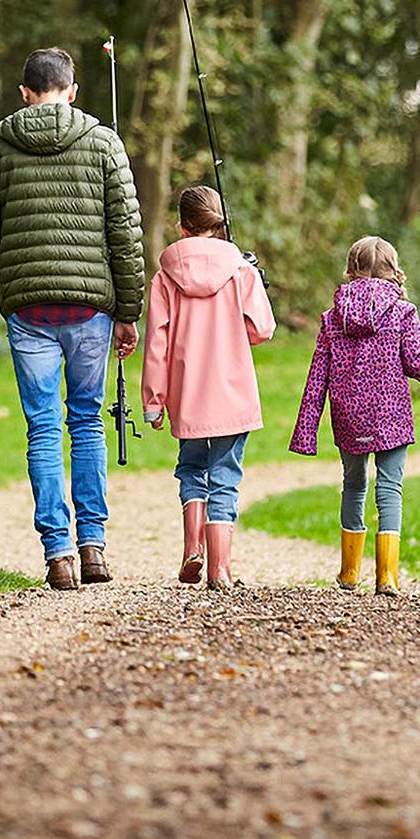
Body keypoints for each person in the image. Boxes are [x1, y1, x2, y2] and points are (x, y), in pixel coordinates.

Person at [0, 46, 145, 592]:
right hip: (89, 309)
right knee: (85, 421)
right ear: (72, 91)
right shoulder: (104, 143)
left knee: (42, 427)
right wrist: (128, 311)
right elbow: (125, 236)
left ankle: (58, 552)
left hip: (28, 308)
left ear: (25, 93)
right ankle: (93, 546)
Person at [290, 236, 420, 596]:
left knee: (354, 485)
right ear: (394, 271)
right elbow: (417, 362)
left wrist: (306, 432)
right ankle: (387, 576)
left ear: (350, 271)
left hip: (348, 414)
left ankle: (349, 571)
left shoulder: (332, 318)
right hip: (391, 415)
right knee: (390, 487)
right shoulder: (403, 313)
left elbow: (317, 377)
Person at [141, 186, 275, 590]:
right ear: (219, 224)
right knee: (225, 476)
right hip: (233, 395)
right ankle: (221, 569)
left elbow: (157, 343)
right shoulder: (240, 271)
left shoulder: (165, 277)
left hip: (188, 397)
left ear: (181, 225)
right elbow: (262, 330)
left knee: (191, 468)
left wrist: (154, 401)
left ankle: (191, 549)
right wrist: (253, 287)